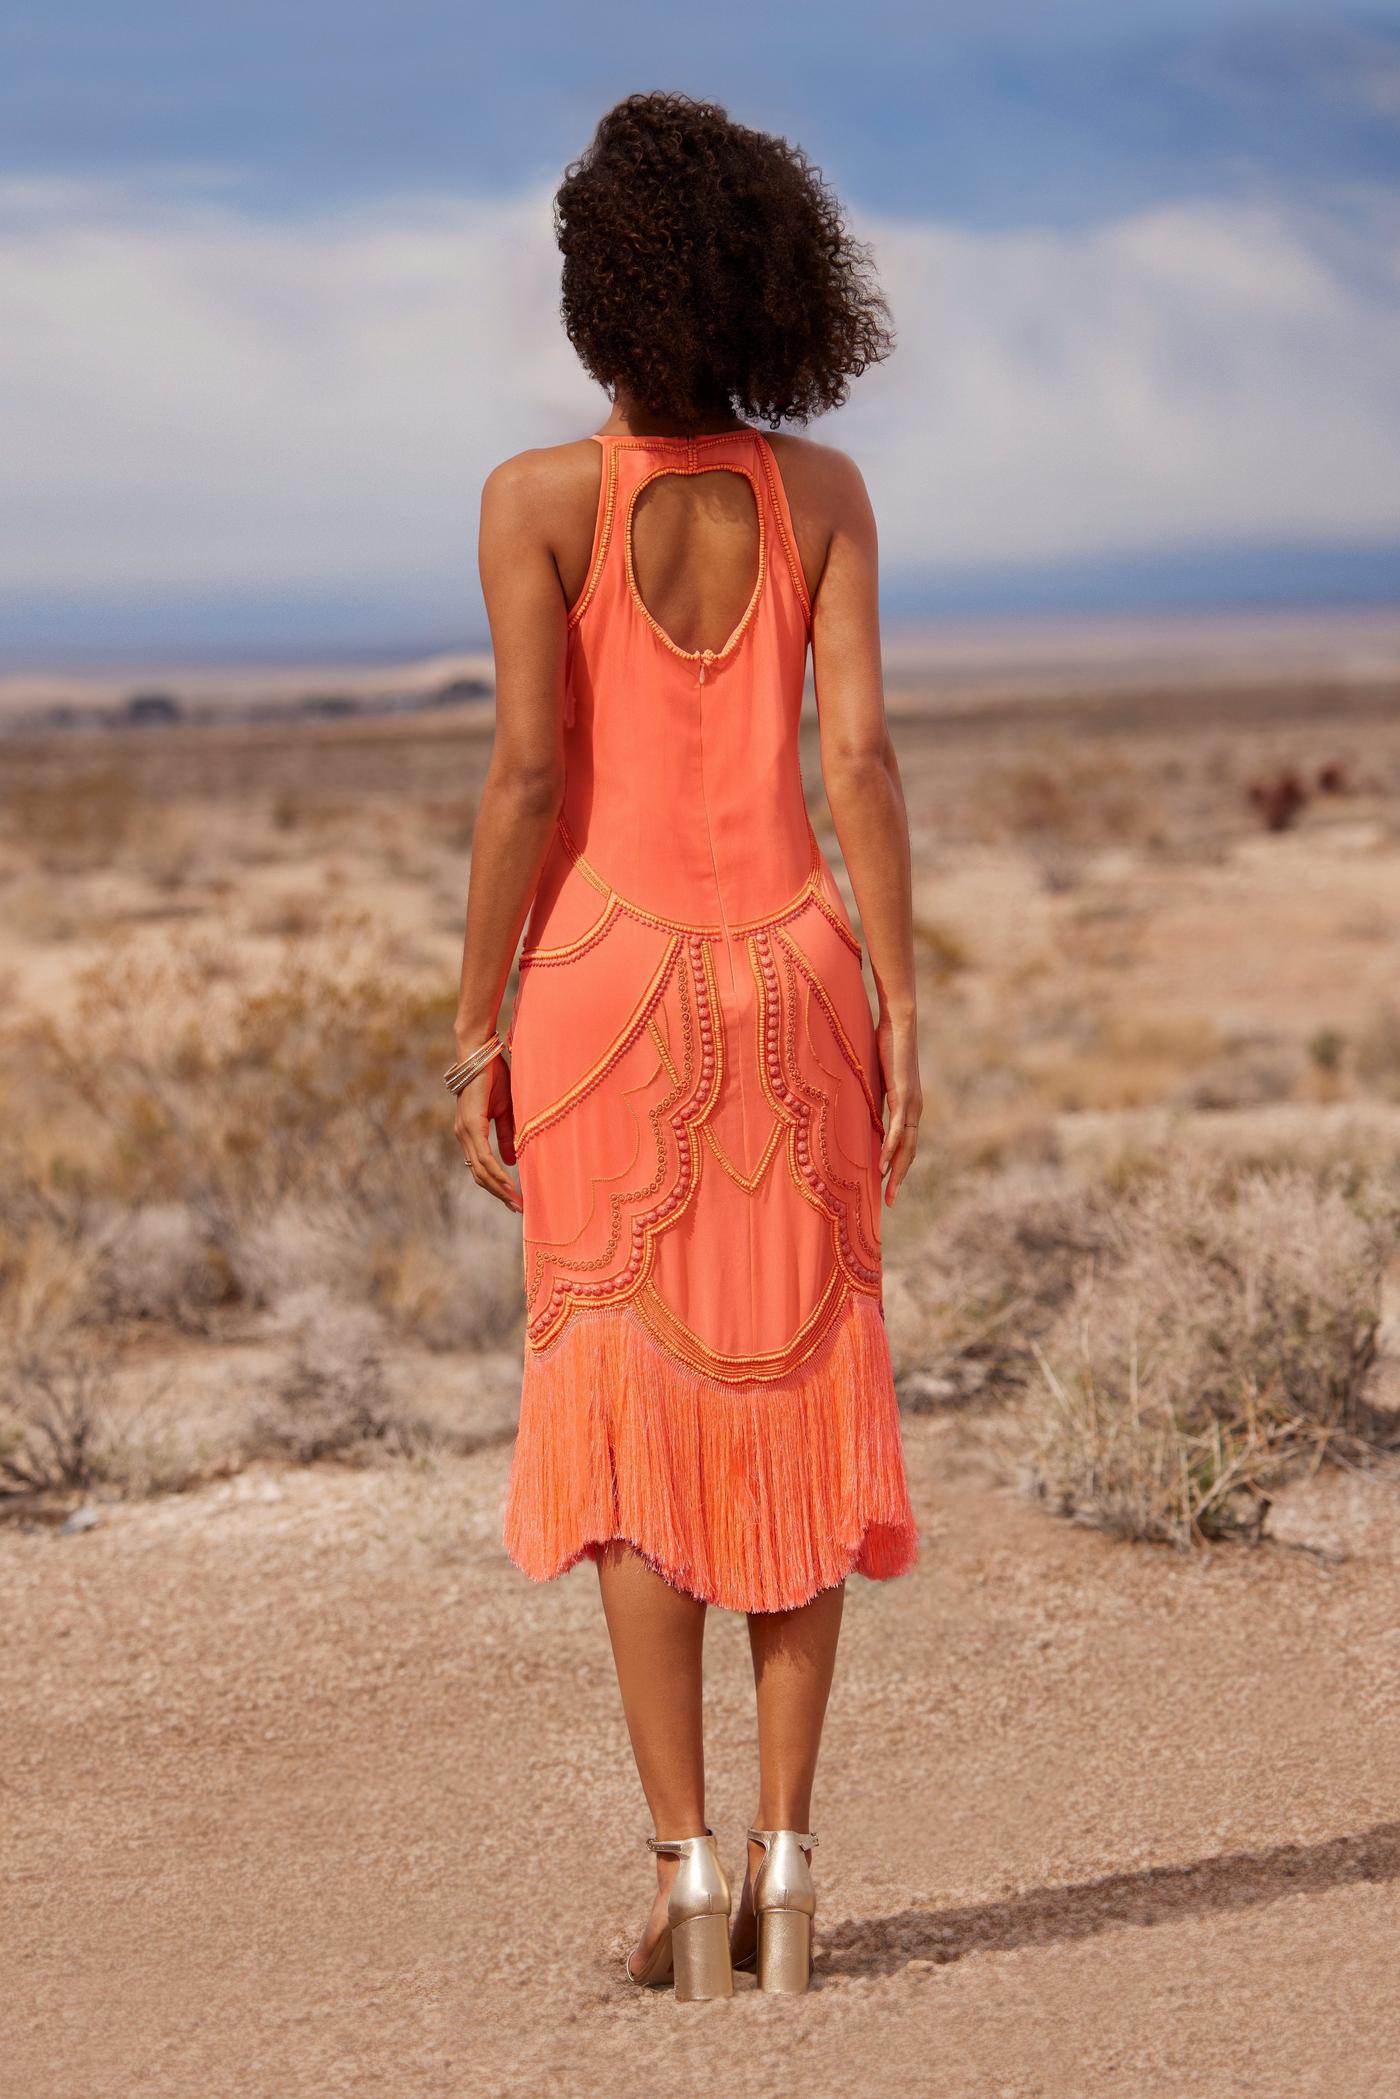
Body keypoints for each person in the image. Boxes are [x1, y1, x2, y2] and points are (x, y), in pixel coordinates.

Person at [448, 90, 921, 2000]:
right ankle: (795, 1879)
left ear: (595, 295)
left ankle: (688, 1875)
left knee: (634, 1435)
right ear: (763, 284)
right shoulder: (822, 501)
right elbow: (862, 760)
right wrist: (903, 993)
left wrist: (472, 1018)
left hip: (605, 987)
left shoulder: (535, 501)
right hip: (796, 970)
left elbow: (528, 774)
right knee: (802, 1408)